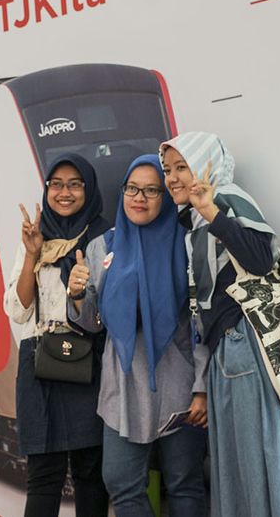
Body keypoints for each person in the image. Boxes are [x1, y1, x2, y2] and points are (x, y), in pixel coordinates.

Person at [160, 131, 280, 516]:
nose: (171, 177)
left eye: (181, 167)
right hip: (229, 353)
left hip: (247, 350)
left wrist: (213, 213)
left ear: (206, 165)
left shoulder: (226, 199)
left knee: (267, 462)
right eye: (167, 169)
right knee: (249, 465)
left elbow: (260, 260)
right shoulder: (193, 222)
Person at [68, 154, 209, 517]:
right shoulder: (104, 247)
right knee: (121, 483)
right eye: (132, 188)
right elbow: (91, 324)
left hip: (179, 385)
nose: (139, 198)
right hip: (123, 386)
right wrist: (77, 295)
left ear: (165, 197)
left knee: (184, 484)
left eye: (151, 190)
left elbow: (202, 320)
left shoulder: (186, 243)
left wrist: (202, 386)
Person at [3, 154, 110, 517]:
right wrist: (33, 256)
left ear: (89, 188)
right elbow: (18, 311)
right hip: (40, 363)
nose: (65, 192)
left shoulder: (105, 237)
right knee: (43, 476)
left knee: (90, 474)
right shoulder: (35, 238)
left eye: (75, 184)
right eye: (57, 184)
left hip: (89, 362)